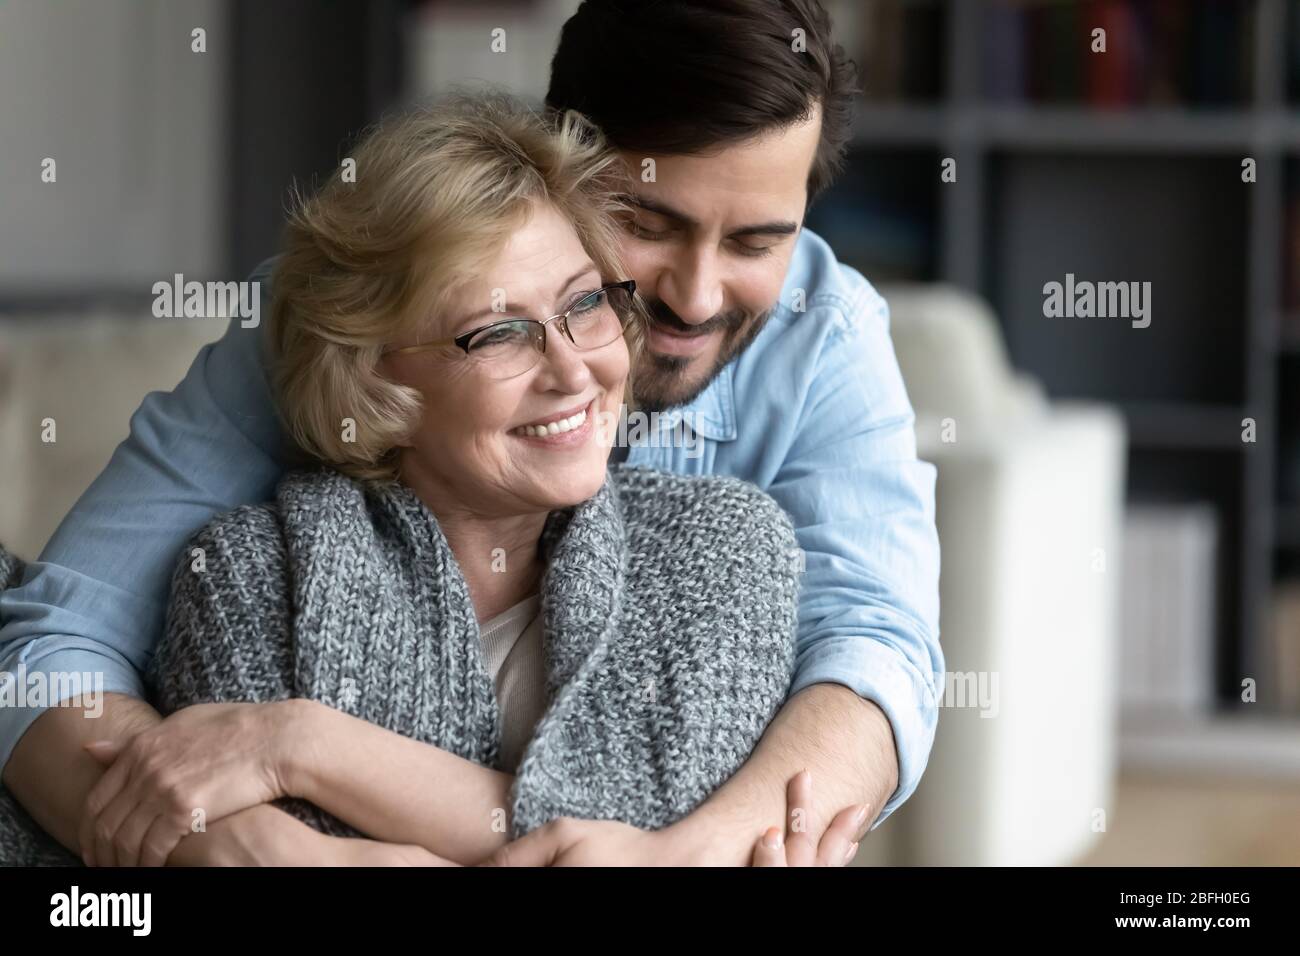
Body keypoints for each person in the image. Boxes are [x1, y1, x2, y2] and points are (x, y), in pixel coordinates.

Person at [0, 0, 941, 867]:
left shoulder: (824, 343)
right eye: (649, 221)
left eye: (756, 242)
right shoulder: (342, 324)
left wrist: (689, 853)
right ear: (556, 169)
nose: (693, 299)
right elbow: (51, 646)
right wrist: (241, 846)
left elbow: (874, 650)